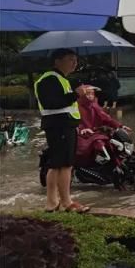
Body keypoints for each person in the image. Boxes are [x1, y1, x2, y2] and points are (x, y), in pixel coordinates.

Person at [34, 48, 90, 213]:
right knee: (65, 165)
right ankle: (66, 202)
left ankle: (52, 202)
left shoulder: (61, 79)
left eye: (76, 59)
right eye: (70, 59)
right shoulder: (49, 79)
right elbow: (51, 102)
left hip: (62, 125)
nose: (74, 63)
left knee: (56, 164)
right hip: (60, 126)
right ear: (57, 61)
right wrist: (75, 95)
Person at [76, 86, 131, 167]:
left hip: (96, 133)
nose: (90, 96)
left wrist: (120, 126)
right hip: (83, 136)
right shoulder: (76, 108)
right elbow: (73, 122)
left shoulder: (94, 106)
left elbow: (106, 118)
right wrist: (82, 129)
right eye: (87, 94)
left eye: (92, 94)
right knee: (98, 144)